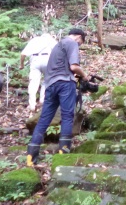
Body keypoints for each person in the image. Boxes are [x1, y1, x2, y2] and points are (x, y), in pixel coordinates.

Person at [27, 28, 91, 166]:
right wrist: (85, 76)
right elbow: (74, 67)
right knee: (67, 116)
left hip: (50, 84)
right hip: (65, 84)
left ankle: (31, 157)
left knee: (44, 119)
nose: (79, 45)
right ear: (79, 37)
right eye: (81, 42)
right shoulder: (72, 43)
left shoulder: (57, 45)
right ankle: (64, 153)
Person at [19, 32, 58, 112]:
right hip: (48, 60)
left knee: (33, 82)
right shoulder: (51, 40)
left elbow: (23, 54)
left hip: (35, 61)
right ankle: (42, 100)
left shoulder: (34, 40)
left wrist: (22, 65)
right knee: (47, 81)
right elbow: (59, 53)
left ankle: (32, 105)